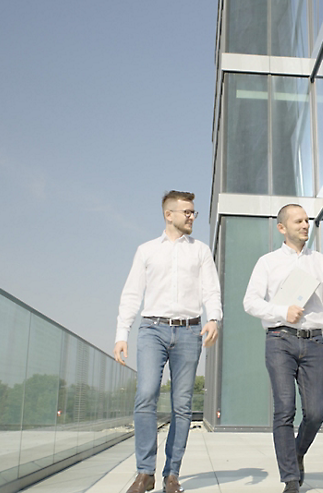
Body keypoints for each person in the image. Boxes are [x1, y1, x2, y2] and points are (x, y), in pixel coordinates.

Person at [114, 190, 222, 493]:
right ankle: (144, 471)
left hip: (190, 332)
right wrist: (122, 333)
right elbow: (132, 294)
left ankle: (172, 474)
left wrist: (214, 318)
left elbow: (211, 290)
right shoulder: (146, 250)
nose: (191, 217)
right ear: (168, 214)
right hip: (152, 330)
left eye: (193, 212)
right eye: (186, 212)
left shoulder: (200, 251)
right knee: (146, 394)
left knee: (182, 405)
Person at [243, 204, 323, 493]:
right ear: (282, 228)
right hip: (279, 340)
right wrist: (282, 311)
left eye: (307, 220)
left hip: (313, 342)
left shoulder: (320, 262)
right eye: (298, 221)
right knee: (284, 409)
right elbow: (250, 302)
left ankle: (297, 453)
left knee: (316, 413)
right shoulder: (267, 262)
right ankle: (291, 479)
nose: (305, 225)